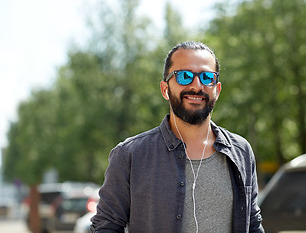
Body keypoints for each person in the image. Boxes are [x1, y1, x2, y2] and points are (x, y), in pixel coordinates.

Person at [90, 41, 264, 233]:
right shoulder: (130, 155)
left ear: (217, 89)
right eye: (184, 76)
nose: (196, 85)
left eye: (207, 77)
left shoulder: (241, 151)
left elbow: (253, 223)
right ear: (165, 89)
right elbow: (106, 227)